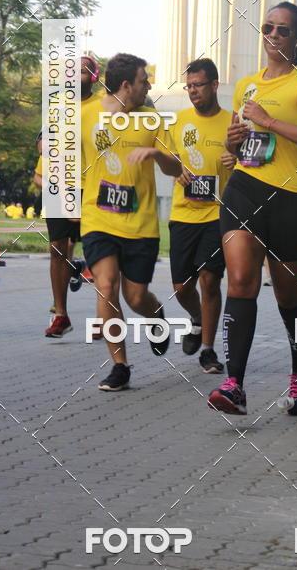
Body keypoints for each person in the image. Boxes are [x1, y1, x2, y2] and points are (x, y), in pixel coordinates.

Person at [208, 2, 297, 416]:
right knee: (241, 279)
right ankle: (234, 385)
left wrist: (269, 120)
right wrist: (233, 138)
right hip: (244, 189)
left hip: (290, 200)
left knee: (287, 292)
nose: (274, 35)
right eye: (268, 28)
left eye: (283, 30)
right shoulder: (247, 84)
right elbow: (238, 144)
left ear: (296, 38)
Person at [80, 53, 181, 392]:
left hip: (141, 224)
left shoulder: (152, 119)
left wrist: (155, 154)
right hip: (98, 217)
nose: (148, 85)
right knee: (106, 287)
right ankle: (120, 366)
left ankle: (156, 318)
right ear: (126, 85)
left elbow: (176, 167)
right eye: (144, 80)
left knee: (136, 297)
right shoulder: (85, 115)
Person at [166, 58, 235, 374]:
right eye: (189, 86)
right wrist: (176, 171)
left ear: (215, 85)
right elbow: (169, 162)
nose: (193, 91)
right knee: (182, 287)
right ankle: (196, 318)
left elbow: (254, 161)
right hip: (183, 214)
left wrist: (238, 159)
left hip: (217, 214)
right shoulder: (178, 121)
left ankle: (208, 349)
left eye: (199, 85)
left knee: (210, 280)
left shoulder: (233, 122)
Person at [34, 56, 100, 336]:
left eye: (83, 71)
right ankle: (61, 315)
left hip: (93, 188)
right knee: (57, 249)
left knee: (100, 252)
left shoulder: (103, 107)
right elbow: (43, 145)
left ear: (94, 76)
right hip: (61, 188)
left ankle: (104, 318)